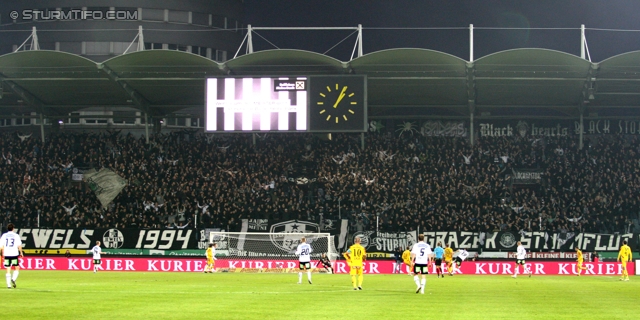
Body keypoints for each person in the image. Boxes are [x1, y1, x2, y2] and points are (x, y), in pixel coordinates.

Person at [0, 223, 24, 288]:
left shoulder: (4, 235)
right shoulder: (16, 235)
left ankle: (8, 285)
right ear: (13, 228)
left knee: (8, 268)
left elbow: (1, 246)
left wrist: (2, 254)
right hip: (14, 254)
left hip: (7, 254)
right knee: (16, 267)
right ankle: (13, 279)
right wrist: (21, 253)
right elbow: (19, 245)